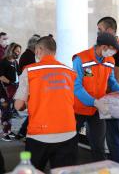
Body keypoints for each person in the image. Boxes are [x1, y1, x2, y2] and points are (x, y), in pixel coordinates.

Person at [14, 36, 78, 171]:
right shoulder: (70, 72)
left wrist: (28, 104)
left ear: (39, 50)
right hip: (68, 132)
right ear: (54, 51)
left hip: (39, 134)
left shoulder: (30, 71)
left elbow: (18, 105)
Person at [73, 32, 119, 162]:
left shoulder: (110, 61)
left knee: (98, 146)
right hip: (78, 109)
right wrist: (94, 102)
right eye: (112, 49)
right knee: (70, 145)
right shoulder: (80, 59)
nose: (113, 53)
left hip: (98, 110)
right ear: (104, 47)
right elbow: (76, 87)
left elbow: (111, 80)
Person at [97, 16, 119, 163]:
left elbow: (115, 82)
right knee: (102, 137)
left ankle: (117, 167)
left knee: (112, 138)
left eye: (100, 30)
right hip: (103, 99)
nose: (98, 33)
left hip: (112, 101)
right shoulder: (107, 48)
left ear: (110, 30)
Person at [16, 34, 40, 140]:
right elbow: (30, 74)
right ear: (34, 46)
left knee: (34, 113)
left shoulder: (28, 55)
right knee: (34, 113)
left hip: (29, 88)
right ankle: (24, 133)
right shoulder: (29, 56)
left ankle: (23, 132)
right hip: (30, 88)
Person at [0, 42, 21, 141]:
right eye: (16, 51)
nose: (18, 53)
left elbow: (18, 74)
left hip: (13, 90)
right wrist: (11, 82)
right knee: (5, 112)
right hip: (4, 91)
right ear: (11, 50)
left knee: (10, 111)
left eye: (19, 52)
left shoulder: (15, 62)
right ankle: (5, 133)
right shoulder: (4, 62)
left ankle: (8, 130)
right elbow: (1, 76)